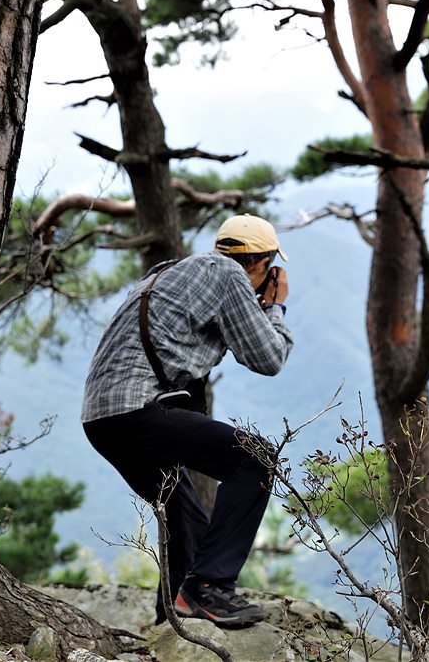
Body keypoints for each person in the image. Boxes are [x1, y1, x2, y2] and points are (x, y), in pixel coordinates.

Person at [81, 213, 293, 628]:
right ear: (262, 263)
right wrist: (276, 307)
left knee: (187, 520)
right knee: (256, 460)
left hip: (101, 419)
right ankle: (209, 587)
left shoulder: (171, 271)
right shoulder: (231, 275)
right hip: (136, 410)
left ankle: (172, 627)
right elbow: (269, 359)